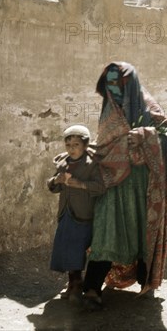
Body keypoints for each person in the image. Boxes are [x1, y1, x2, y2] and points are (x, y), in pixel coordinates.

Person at [82, 62, 167, 310]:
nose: (113, 89)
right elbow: (105, 143)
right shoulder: (109, 109)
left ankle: (146, 283)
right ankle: (92, 287)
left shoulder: (147, 107)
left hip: (142, 186)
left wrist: (145, 136)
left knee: (141, 233)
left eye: (118, 84)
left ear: (130, 84)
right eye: (109, 84)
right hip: (112, 186)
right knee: (105, 231)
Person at [47, 125, 105, 300]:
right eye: (68, 145)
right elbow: (53, 187)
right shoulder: (63, 163)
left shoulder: (92, 165)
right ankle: (72, 282)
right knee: (65, 247)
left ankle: (78, 283)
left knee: (77, 249)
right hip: (66, 213)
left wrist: (81, 184)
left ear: (86, 145)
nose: (71, 149)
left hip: (83, 214)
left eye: (76, 145)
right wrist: (55, 180)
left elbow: (101, 187)